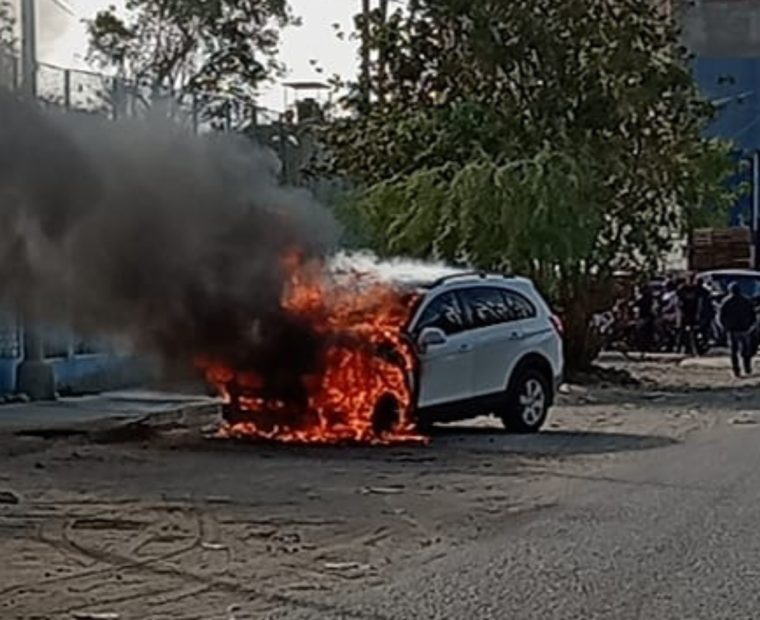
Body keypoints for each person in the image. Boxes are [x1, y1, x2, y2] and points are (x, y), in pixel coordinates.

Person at [719, 282, 757, 378]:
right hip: (744, 329)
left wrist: (724, 327)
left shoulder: (726, 302)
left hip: (733, 329)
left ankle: (736, 370)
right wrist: (751, 326)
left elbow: (721, 317)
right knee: (745, 351)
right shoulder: (746, 301)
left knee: (734, 351)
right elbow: (753, 315)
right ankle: (747, 368)